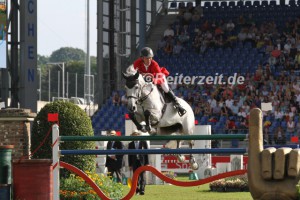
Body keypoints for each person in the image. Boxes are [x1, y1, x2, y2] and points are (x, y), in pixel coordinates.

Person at [133, 47, 186, 117]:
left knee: (165, 87)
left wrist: (154, 81)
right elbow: (134, 74)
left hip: (157, 77)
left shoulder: (154, 64)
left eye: (150, 58)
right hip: (144, 80)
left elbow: (160, 77)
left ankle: (177, 104)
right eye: (147, 58)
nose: (149, 60)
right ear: (142, 58)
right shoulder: (137, 63)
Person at [128, 130, 149, 195]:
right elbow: (129, 155)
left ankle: (142, 190)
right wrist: (130, 164)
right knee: (135, 177)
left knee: (143, 176)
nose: (136, 135)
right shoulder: (130, 144)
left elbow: (146, 153)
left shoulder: (143, 142)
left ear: (138, 135)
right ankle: (136, 190)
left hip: (142, 162)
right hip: (134, 162)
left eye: (137, 134)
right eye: (134, 134)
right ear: (132, 136)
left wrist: (147, 163)